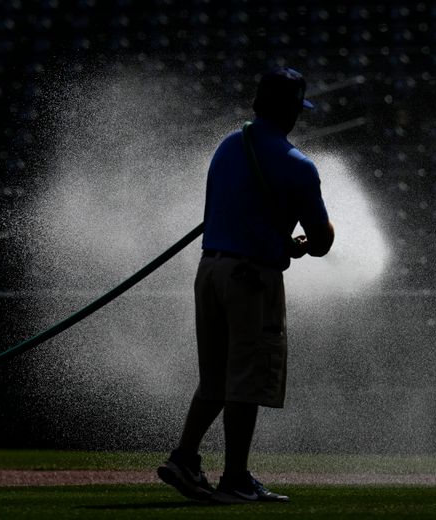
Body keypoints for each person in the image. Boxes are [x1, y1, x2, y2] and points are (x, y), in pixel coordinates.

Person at [157, 67, 334, 504]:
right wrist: (297, 246)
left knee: (214, 379)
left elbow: (228, 212)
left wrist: (274, 240)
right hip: (251, 279)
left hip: (210, 271)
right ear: (292, 110)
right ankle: (235, 476)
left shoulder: (228, 146)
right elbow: (323, 240)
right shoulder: (298, 165)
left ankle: (184, 457)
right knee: (245, 380)